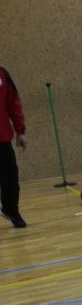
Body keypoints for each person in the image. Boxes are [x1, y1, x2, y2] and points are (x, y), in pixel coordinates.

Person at [0, 65, 27, 228]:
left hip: (1, 139)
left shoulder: (2, 75)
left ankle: (11, 210)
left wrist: (20, 130)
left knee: (10, 178)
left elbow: (13, 103)